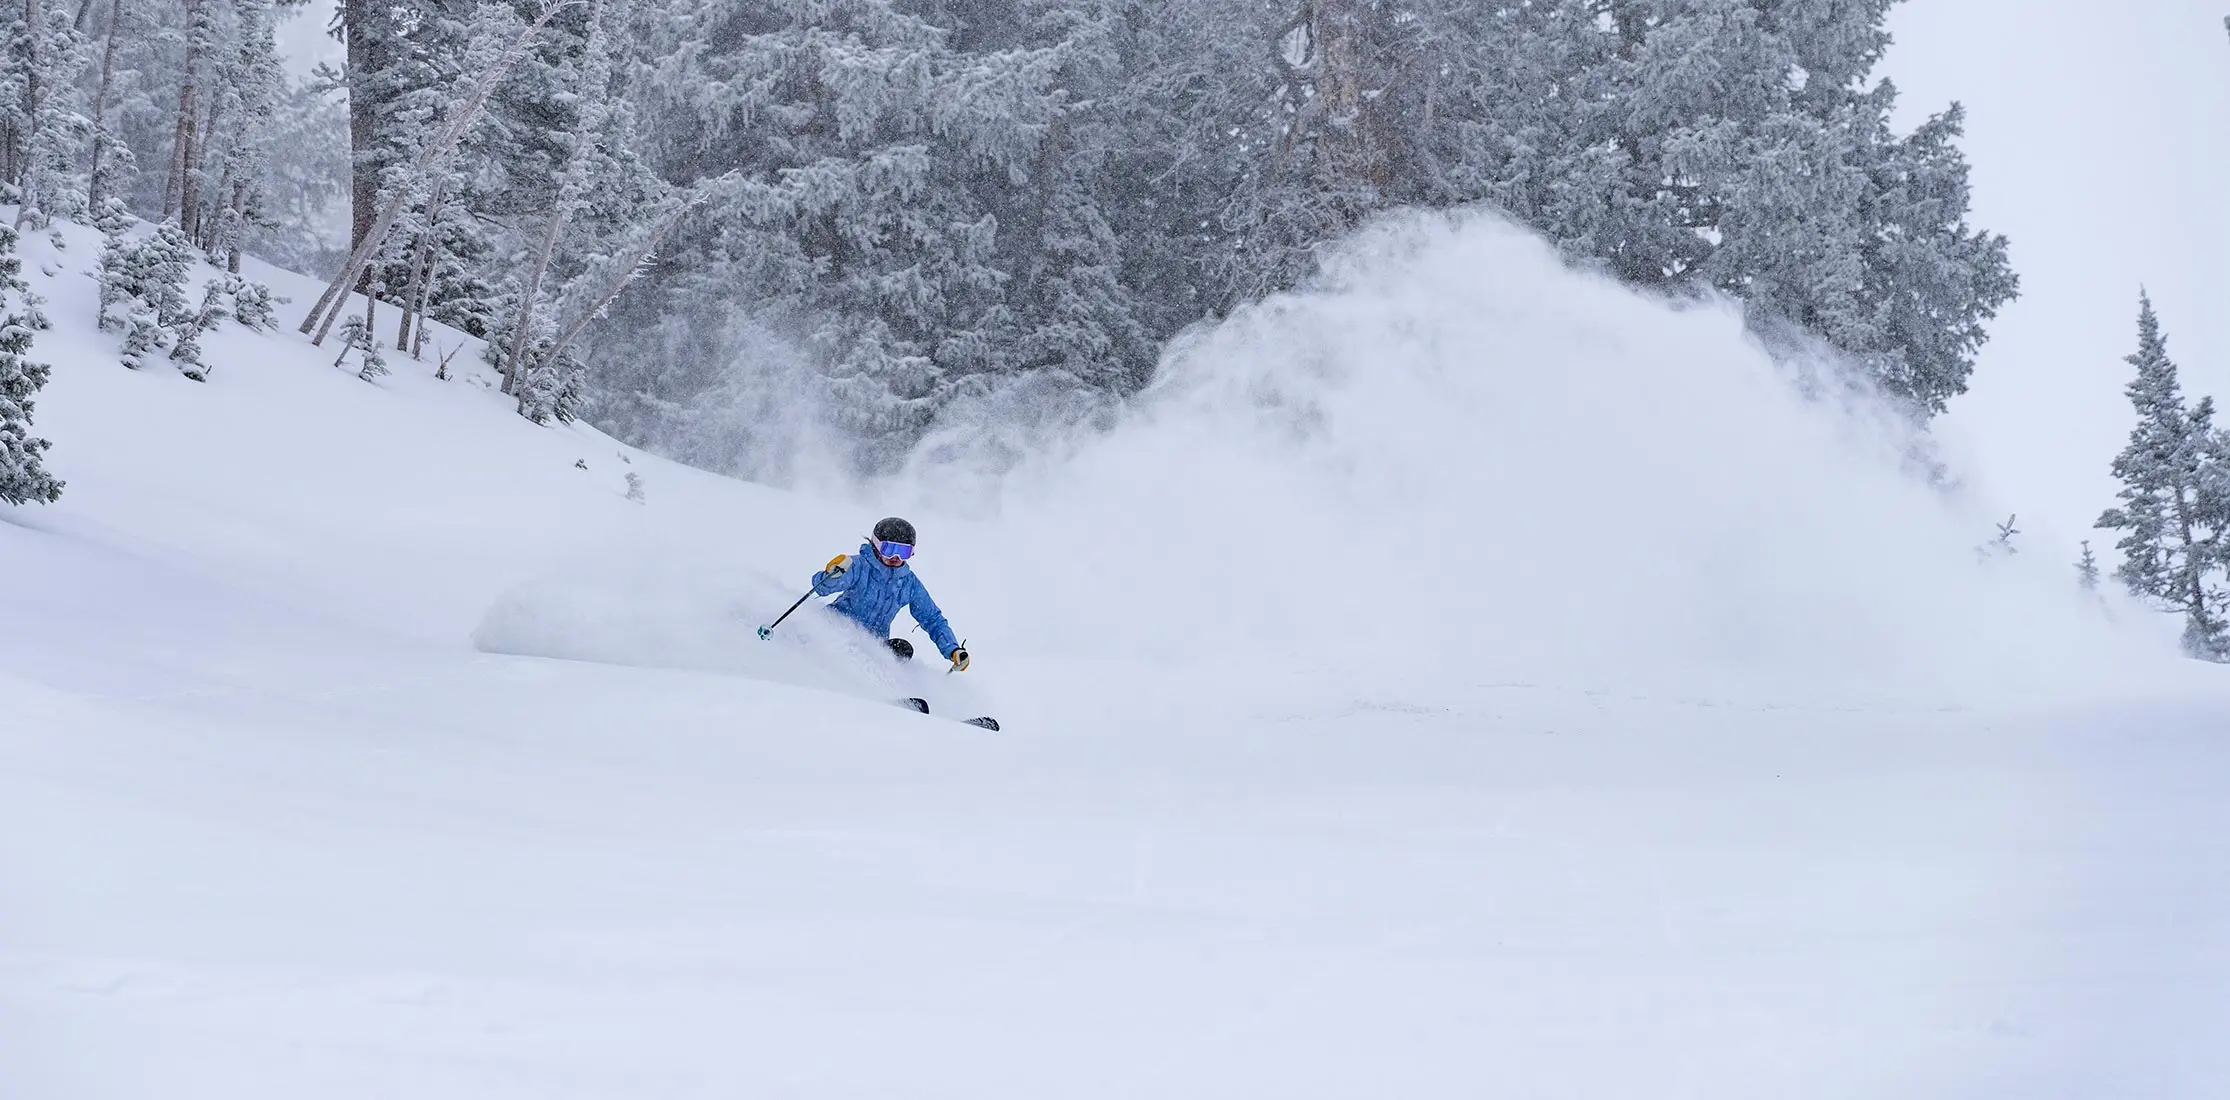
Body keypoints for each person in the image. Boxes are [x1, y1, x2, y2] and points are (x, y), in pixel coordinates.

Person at [810, 516, 970, 671]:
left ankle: (877, 690)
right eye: (890, 549)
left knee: (902, 650)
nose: (896, 556)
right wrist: (832, 574)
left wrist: (953, 649)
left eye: (904, 551)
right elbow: (821, 588)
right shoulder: (857, 566)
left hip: (870, 647)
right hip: (833, 630)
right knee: (843, 646)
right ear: (876, 546)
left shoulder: (908, 583)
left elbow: (933, 619)